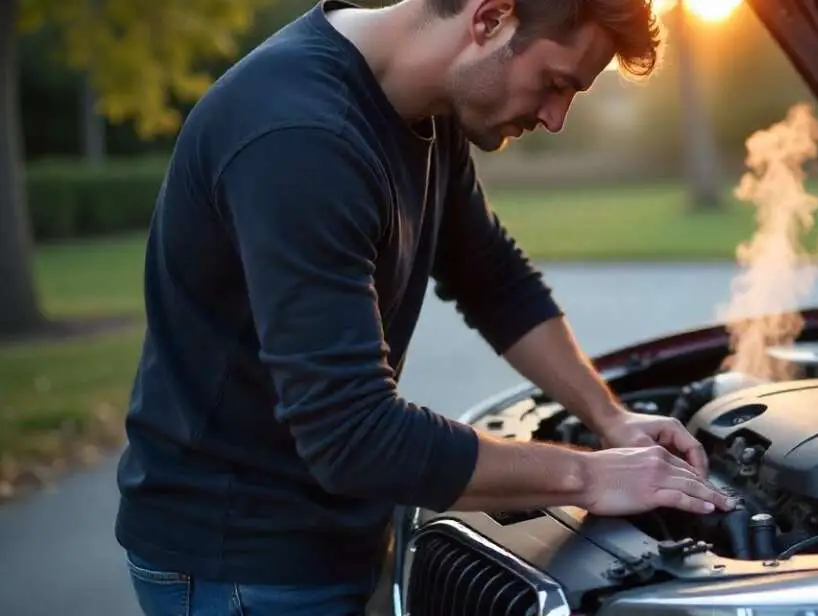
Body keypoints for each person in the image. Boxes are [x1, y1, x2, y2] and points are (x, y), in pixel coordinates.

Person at [114, 0, 735, 613]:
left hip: (327, 532)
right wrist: (592, 475)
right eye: (554, 84)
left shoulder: (428, 108)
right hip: (242, 563)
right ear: (490, 19)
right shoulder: (301, 138)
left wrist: (610, 418)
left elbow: (493, 279)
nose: (555, 119)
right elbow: (353, 435)